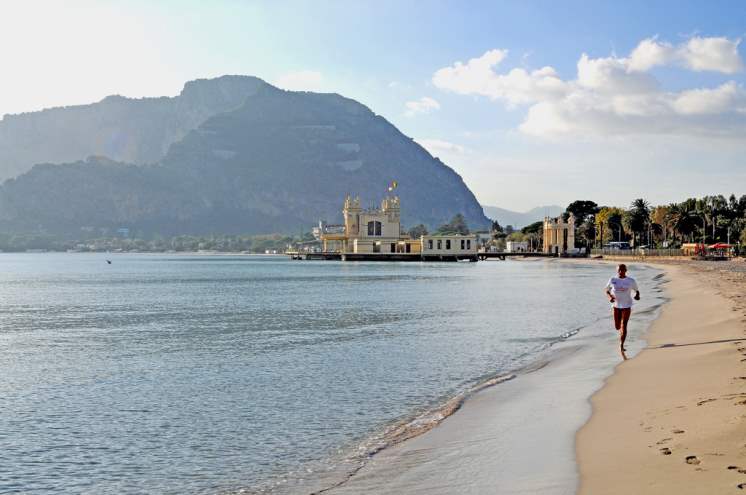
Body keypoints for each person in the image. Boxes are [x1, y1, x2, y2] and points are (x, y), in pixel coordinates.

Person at [604, 263, 640, 352]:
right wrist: (610, 297)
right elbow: (606, 290)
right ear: (617, 271)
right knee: (617, 326)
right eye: (619, 270)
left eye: (622, 270)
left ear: (626, 271)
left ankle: (621, 345)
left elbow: (637, 291)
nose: (621, 272)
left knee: (624, 325)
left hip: (627, 305)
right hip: (616, 306)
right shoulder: (613, 280)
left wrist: (637, 296)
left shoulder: (631, 281)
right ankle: (621, 332)